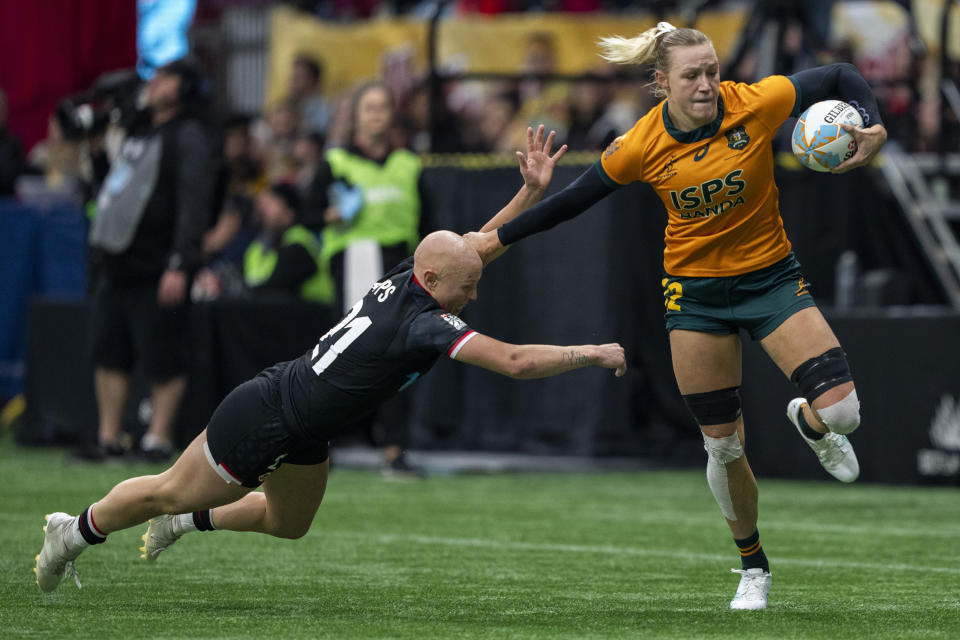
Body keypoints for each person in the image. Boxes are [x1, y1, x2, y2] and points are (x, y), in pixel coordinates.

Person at [33, 126, 627, 594]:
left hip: (306, 426)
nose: (474, 296)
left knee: (288, 523)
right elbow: (517, 362)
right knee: (166, 488)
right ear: (433, 278)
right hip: (266, 413)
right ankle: (73, 532)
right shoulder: (421, 323)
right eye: (466, 289)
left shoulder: (415, 279)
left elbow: (479, 248)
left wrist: (528, 192)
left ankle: (187, 524)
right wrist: (592, 352)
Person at [469, 22, 887, 610]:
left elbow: (840, 76)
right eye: (692, 74)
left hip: (771, 280)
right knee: (723, 447)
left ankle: (810, 424)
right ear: (660, 82)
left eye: (712, 70)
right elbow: (571, 203)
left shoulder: (754, 103)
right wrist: (496, 240)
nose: (708, 84)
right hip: (695, 299)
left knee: (843, 413)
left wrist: (872, 120)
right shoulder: (640, 144)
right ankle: (753, 567)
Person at [81, 57, 214, 462]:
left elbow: (195, 203)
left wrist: (180, 262)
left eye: (166, 77)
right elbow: (114, 190)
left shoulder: (189, 135)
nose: (154, 83)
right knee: (109, 348)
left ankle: (156, 438)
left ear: (185, 89)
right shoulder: (139, 130)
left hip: (158, 263)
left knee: (163, 353)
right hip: (117, 260)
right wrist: (98, 153)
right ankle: (108, 437)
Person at [304, 81, 432, 476]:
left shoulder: (410, 164)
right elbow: (307, 217)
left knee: (400, 355)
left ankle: (395, 449)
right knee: (342, 356)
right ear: (355, 116)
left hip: (400, 264)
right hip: (353, 262)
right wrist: (333, 216)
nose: (377, 114)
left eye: (382, 107)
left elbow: (429, 222)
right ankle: (321, 446)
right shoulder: (336, 163)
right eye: (369, 108)